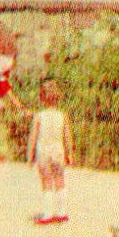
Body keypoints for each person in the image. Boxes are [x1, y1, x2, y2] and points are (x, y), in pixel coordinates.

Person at [27, 79, 73, 225]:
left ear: (42, 98)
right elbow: (67, 136)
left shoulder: (39, 116)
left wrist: (30, 155)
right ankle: (61, 213)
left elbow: (33, 137)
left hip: (44, 152)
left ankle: (47, 214)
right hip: (58, 151)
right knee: (60, 179)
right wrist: (70, 153)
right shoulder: (62, 115)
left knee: (46, 181)